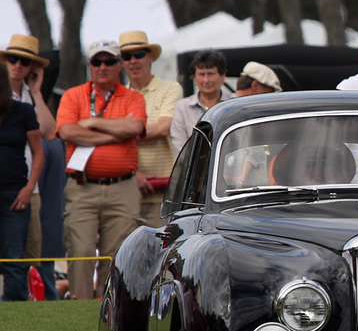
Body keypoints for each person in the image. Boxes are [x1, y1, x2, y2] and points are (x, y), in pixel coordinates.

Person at [56, 39, 147, 299]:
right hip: (82, 187)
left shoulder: (133, 97)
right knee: (81, 250)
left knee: (117, 253)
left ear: (119, 65)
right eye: (97, 61)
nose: (103, 67)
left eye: (109, 61)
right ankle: (80, 311)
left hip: (122, 187)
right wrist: (113, 133)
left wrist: (92, 123)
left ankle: (111, 311)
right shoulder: (74, 95)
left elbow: (135, 128)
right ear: (89, 65)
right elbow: (66, 130)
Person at [7, 34, 62, 298]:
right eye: (12, 58)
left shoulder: (30, 97)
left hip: (32, 187)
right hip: (6, 182)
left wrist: (38, 92)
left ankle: (23, 301)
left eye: (24, 61)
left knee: (31, 251)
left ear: (32, 68)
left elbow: (50, 133)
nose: (17, 65)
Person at [118, 31, 179, 224]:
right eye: (127, 56)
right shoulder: (116, 96)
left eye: (139, 55)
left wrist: (122, 133)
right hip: (126, 192)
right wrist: (132, 175)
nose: (133, 61)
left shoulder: (170, 88)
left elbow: (163, 127)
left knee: (160, 251)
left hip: (163, 193)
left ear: (150, 57)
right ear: (121, 62)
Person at [0, 80, 43, 301]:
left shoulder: (23, 111)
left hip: (15, 194)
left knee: (14, 259)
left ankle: (15, 310)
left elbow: (38, 152)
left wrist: (28, 188)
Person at [170, 50, 233, 156]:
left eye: (211, 74)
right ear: (194, 77)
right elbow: (180, 148)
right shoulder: (183, 107)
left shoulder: (234, 105)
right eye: (201, 74)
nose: (206, 80)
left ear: (223, 76)